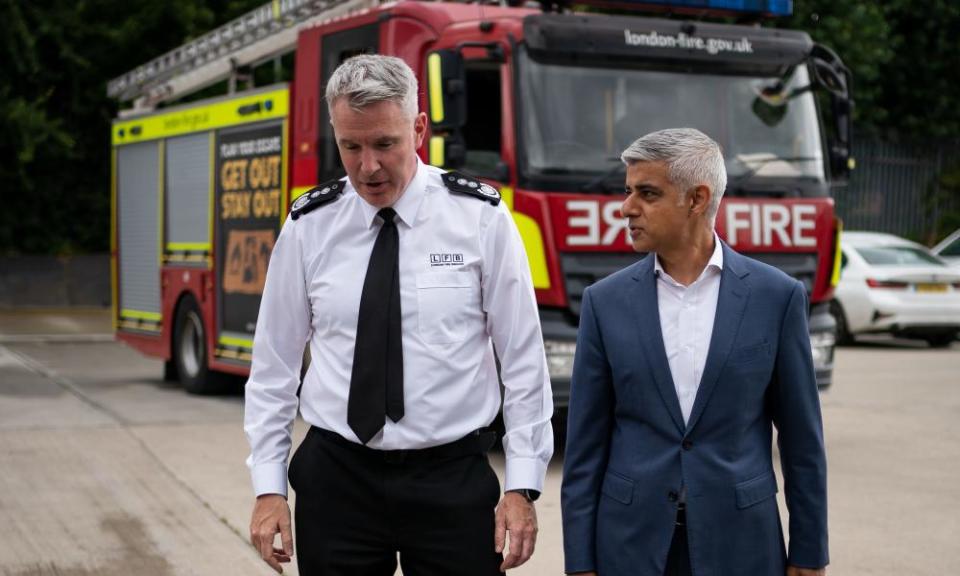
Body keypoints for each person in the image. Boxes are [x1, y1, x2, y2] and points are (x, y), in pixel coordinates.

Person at [244, 54, 553, 575]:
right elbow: (273, 367)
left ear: (419, 128)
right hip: (337, 479)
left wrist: (522, 485)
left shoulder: (479, 218)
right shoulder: (308, 225)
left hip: (451, 481)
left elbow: (523, 359)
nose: (368, 167)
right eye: (351, 146)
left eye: (385, 144)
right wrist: (268, 488)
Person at [561, 128, 828, 576]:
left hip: (742, 544)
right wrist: (580, 559)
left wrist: (809, 549)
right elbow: (585, 448)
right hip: (629, 546)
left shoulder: (776, 297)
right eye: (628, 192)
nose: (627, 208)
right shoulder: (603, 303)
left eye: (647, 193)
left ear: (697, 199)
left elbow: (803, 442)